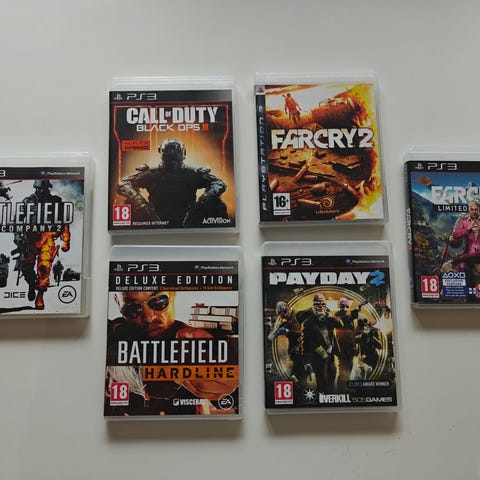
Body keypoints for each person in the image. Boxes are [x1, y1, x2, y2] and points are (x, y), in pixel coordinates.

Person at [105, 290, 238, 416]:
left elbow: (231, 400)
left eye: (159, 301)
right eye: (132, 308)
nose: (149, 318)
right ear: (117, 302)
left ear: (173, 294)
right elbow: (118, 365)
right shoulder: (108, 336)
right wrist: (173, 359)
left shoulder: (195, 338)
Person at [116, 139, 228, 228]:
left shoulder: (192, 173)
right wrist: (138, 200)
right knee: (126, 204)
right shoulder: (152, 173)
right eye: (170, 158)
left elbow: (218, 183)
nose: (173, 162)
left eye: (175, 158)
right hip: (153, 217)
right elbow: (123, 183)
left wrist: (206, 199)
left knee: (217, 204)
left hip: (190, 217)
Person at [14, 180, 70, 310]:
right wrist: (18, 237)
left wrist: (66, 240)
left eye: (43, 189)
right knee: (26, 267)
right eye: (38, 189)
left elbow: (65, 222)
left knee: (44, 267)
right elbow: (18, 221)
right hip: (30, 239)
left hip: (47, 239)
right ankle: (31, 283)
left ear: (48, 189)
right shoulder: (27, 201)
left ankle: (40, 295)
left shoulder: (56, 202)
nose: (40, 191)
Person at [296, 293, 343, 392]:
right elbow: (306, 343)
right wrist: (311, 358)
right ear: (313, 305)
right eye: (317, 304)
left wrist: (330, 316)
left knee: (332, 377)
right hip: (318, 357)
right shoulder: (308, 322)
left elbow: (340, 325)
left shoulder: (329, 317)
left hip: (331, 354)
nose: (321, 307)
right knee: (322, 382)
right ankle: (322, 398)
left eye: (323, 304)